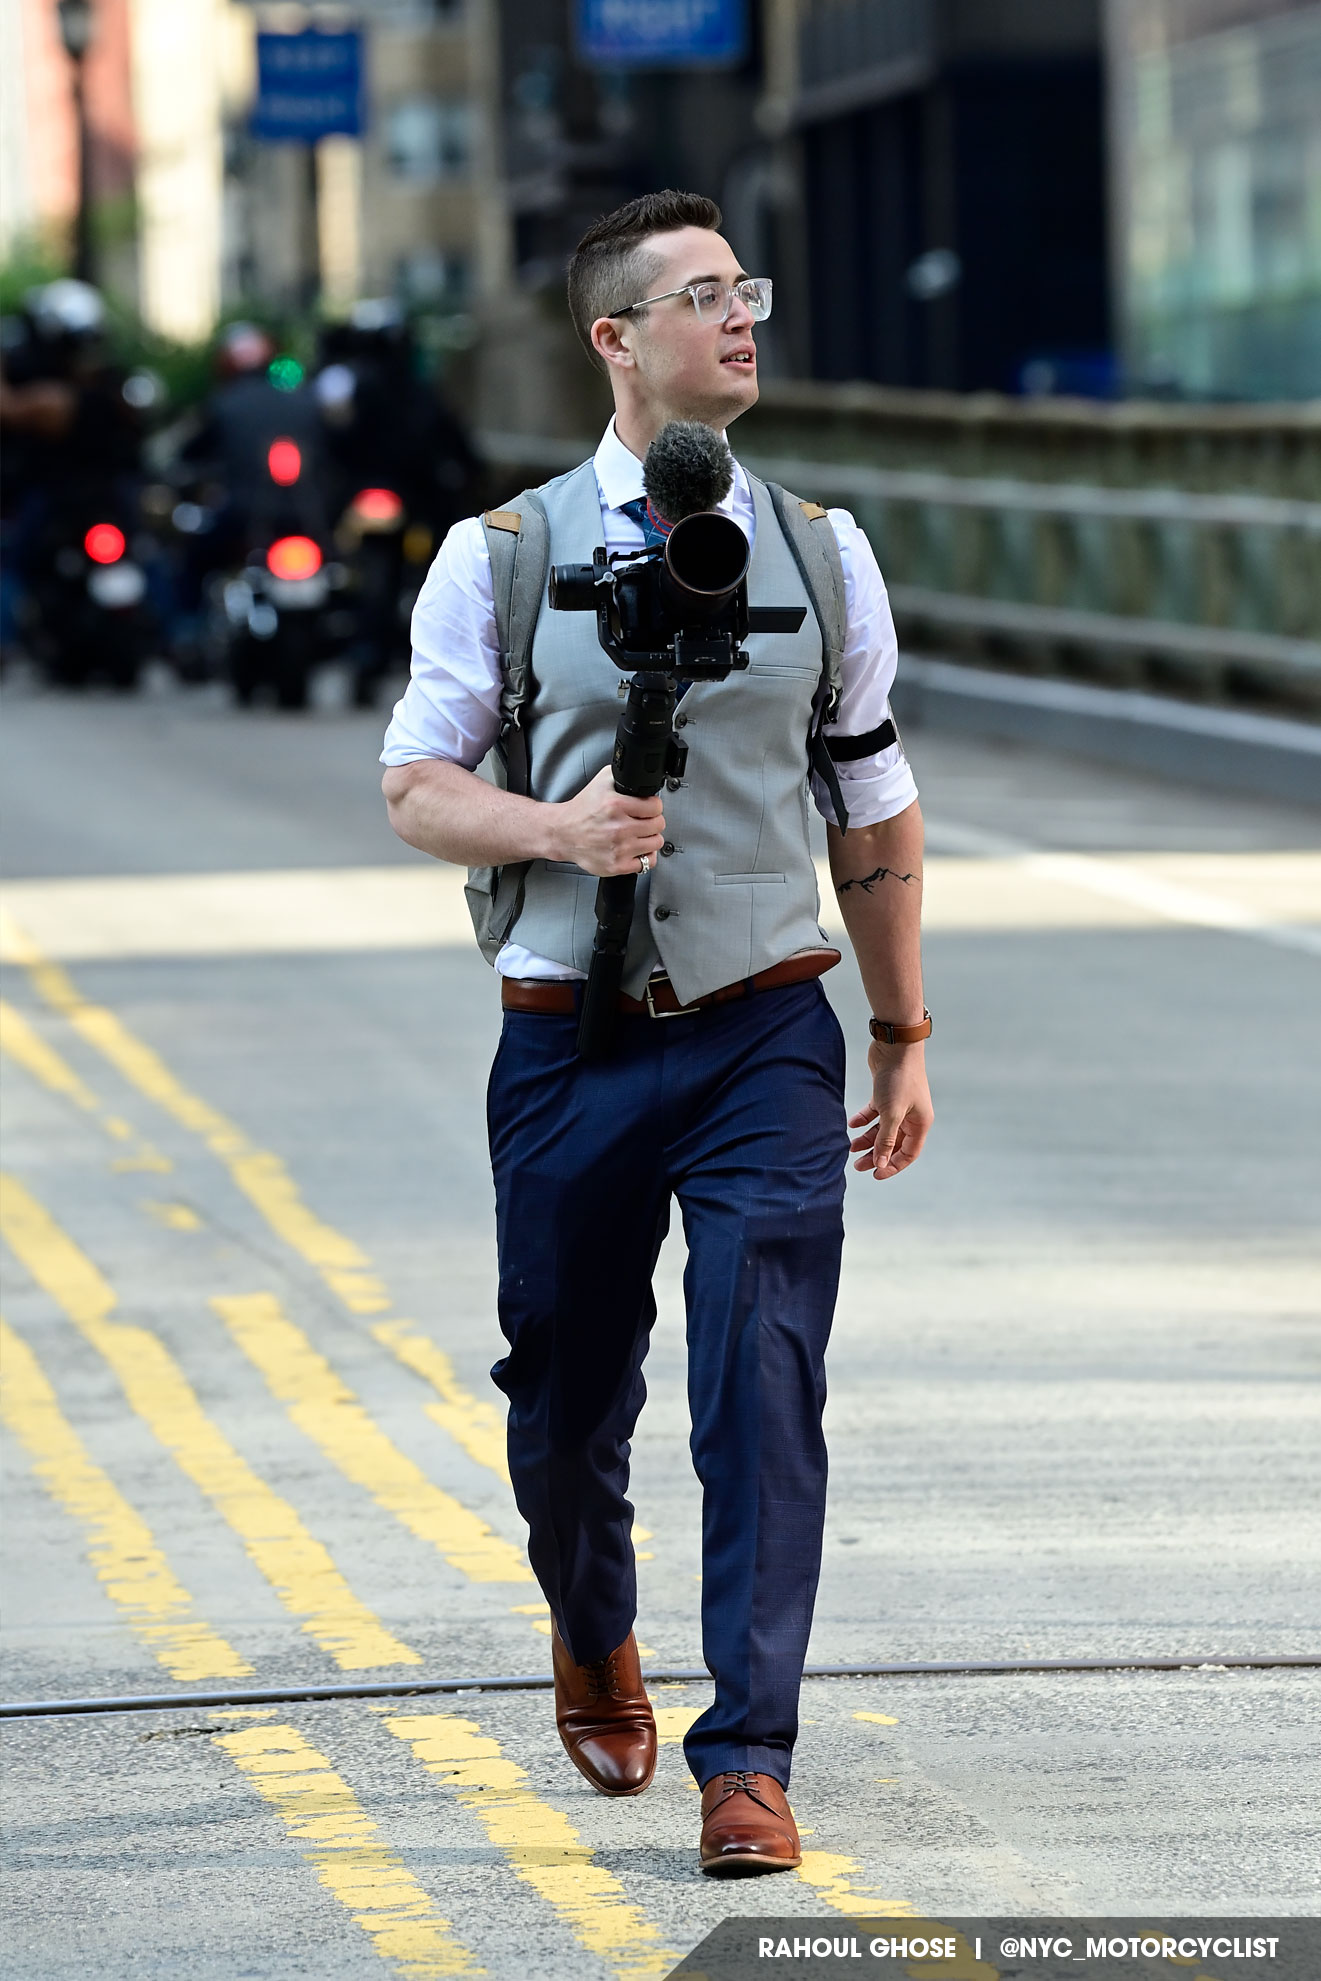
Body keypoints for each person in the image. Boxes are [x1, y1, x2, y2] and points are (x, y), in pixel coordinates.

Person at [381, 190, 933, 1876]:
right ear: (613, 339)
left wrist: (898, 1024)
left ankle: (747, 1753)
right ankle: (590, 1622)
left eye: (743, 287)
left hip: (766, 1025)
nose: (740, 315)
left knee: (760, 1377)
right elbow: (416, 785)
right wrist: (556, 830)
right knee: (564, 1398)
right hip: (570, 1032)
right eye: (700, 295)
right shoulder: (501, 553)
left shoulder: (822, 549)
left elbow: (872, 797)